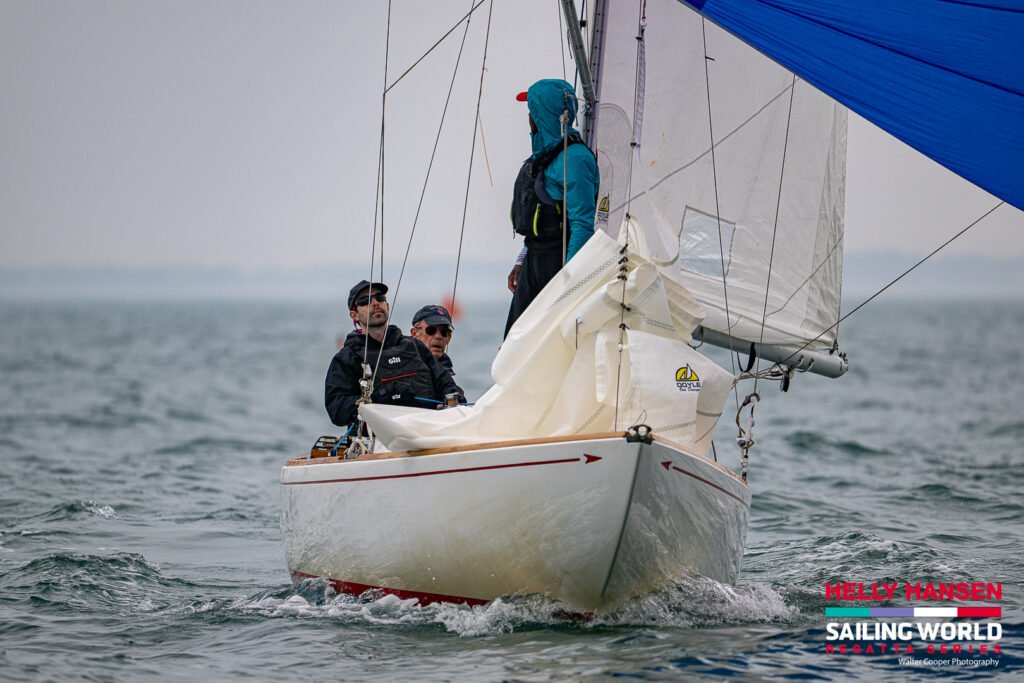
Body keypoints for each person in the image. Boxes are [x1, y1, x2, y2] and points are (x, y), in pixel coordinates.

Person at [505, 78, 600, 337]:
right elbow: (540, 216)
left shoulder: (576, 158)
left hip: (558, 261)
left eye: (532, 109)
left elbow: (582, 223)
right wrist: (522, 260)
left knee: (545, 342)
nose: (528, 116)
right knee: (514, 340)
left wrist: (569, 280)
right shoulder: (543, 155)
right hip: (535, 259)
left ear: (544, 113)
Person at [325, 280, 464, 427]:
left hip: (427, 431)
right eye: (366, 301)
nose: (375, 303)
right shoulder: (346, 358)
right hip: (378, 440)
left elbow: (446, 383)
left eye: (380, 298)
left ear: (388, 306)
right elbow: (337, 411)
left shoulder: (414, 346)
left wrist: (455, 399)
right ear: (354, 315)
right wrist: (382, 397)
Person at [410, 304, 457, 376]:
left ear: (449, 338)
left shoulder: (446, 373)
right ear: (414, 333)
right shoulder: (400, 365)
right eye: (431, 330)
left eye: (444, 332)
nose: (438, 337)